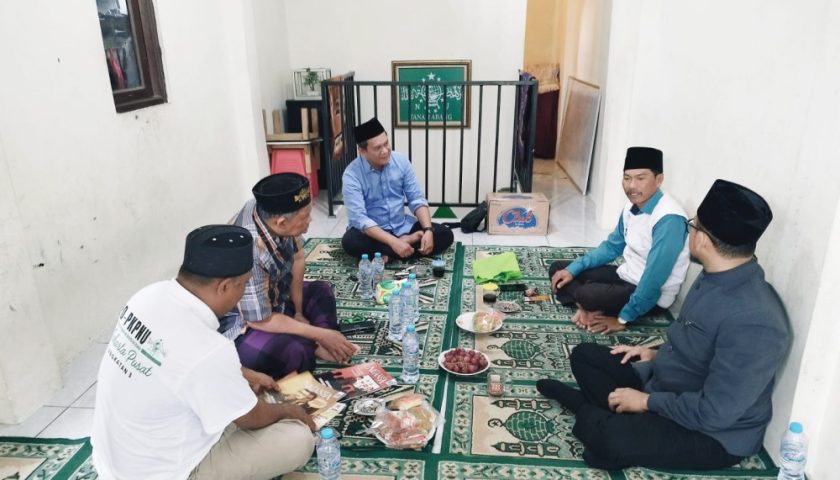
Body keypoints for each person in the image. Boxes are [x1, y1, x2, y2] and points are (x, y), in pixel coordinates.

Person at [536, 179, 789, 471]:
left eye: (693, 226)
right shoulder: (715, 276)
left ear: (703, 240)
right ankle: (612, 417)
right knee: (585, 356)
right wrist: (655, 354)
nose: (689, 232)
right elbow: (697, 342)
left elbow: (714, 413)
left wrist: (646, 402)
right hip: (667, 385)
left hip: (710, 433)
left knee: (607, 442)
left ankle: (587, 409)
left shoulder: (755, 321)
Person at [92, 225, 316, 480]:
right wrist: (288, 411)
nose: (243, 293)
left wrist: (244, 374)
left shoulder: (147, 296)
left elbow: (172, 362)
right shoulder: (209, 350)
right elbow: (251, 418)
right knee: (297, 440)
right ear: (224, 287)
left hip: (117, 459)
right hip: (164, 472)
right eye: (243, 284)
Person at [223, 173, 357, 379]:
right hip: (245, 323)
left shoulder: (269, 210)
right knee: (295, 352)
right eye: (305, 217)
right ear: (281, 223)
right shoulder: (250, 249)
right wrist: (319, 334)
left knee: (321, 291)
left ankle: (317, 341)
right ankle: (315, 344)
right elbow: (259, 320)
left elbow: (297, 257)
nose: (311, 220)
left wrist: (299, 312)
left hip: (276, 296)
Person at [549, 147, 690, 334]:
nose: (632, 186)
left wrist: (623, 319)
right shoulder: (632, 205)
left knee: (587, 294)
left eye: (640, 178)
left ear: (659, 180)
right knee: (560, 269)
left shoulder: (669, 219)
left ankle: (588, 304)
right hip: (626, 275)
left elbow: (654, 278)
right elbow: (611, 247)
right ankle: (586, 309)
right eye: (627, 178)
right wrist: (572, 269)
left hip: (652, 294)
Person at [341, 117, 454, 261]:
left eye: (386, 143)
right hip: (373, 234)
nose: (385, 151)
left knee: (445, 234)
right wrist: (394, 242)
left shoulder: (401, 161)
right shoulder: (351, 175)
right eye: (377, 148)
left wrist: (428, 230)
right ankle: (404, 245)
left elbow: (416, 199)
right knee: (351, 243)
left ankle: (386, 254)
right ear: (363, 151)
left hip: (402, 226)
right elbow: (359, 219)